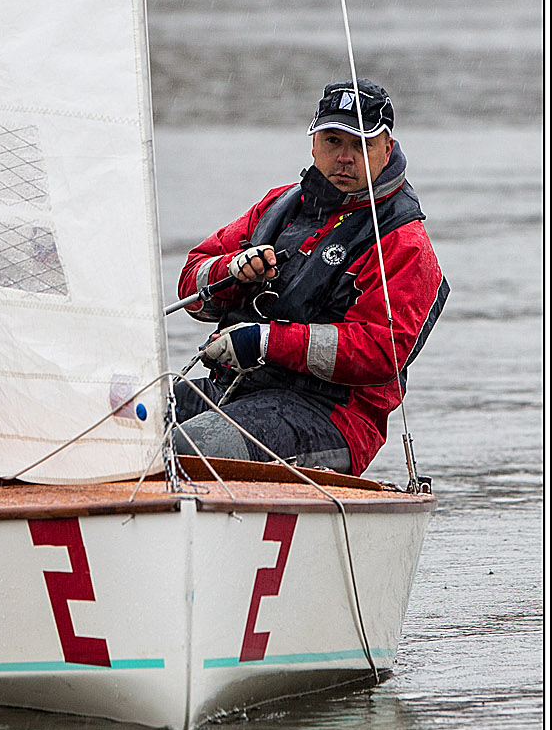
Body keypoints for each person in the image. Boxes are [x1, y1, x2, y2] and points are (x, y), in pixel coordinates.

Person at [173, 79, 449, 475]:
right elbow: (190, 281)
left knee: (192, 447)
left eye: (361, 144)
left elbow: (381, 352)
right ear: (314, 143)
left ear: (387, 149)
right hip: (237, 391)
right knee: (121, 415)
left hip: (330, 417)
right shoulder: (277, 205)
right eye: (334, 141)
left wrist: (266, 341)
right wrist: (231, 271)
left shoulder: (404, 241)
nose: (345, 158)